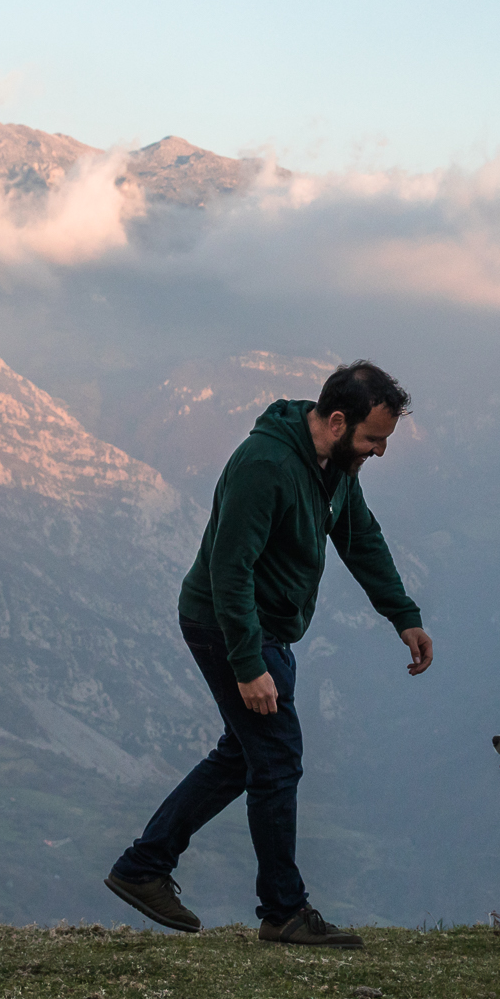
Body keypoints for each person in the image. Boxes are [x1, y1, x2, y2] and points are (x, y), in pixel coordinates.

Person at [104, 361, 433, 948]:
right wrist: (249, 663)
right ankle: (283, 910)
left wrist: (402, 615)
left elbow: (361, 538)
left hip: (266, 629)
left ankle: (143, 866)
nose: (380, 451)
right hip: (228, 624)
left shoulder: (332, 465)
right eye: (373, 438)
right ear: (336, 421)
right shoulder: (267, 465)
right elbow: (230, 571)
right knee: (277, 759)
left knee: (244, 755)